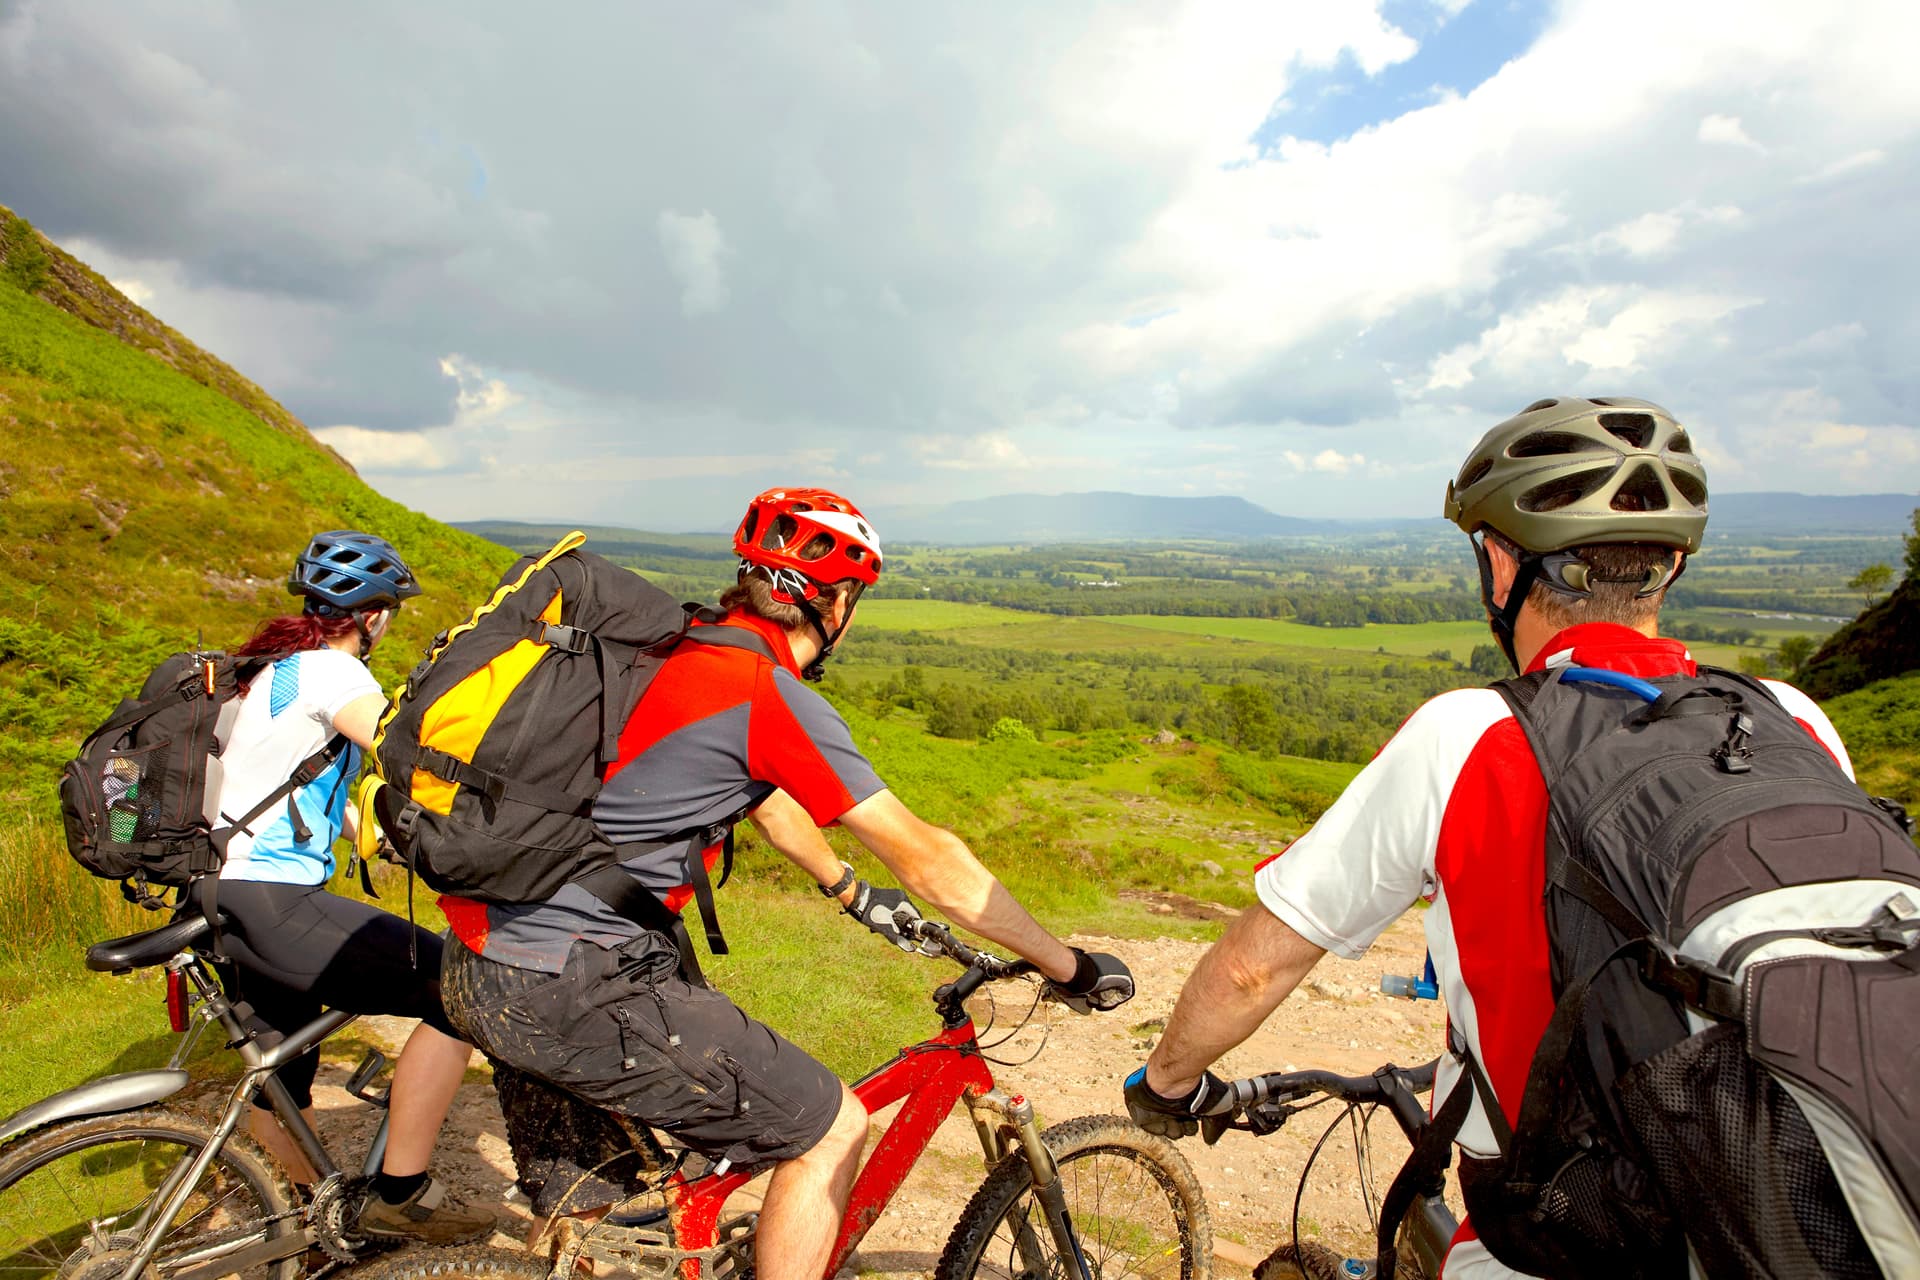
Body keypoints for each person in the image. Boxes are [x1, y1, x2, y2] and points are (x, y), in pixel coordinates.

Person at [1123, 398, 1860, 1278]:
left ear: (1500, 563)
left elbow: (1254, 968)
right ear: (1668, 568)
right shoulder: (1794, 720)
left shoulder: (1469, 734)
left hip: (1567, 1242)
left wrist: (1164, 1081)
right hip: (1817, 1222)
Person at [439, 487, 1135, 1280]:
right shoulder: (765, 694)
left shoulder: (681, 646)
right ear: (835, 600)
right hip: (574, 981)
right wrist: (1065, 963)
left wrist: (847, 889)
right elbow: (928, 858)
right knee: (830, 1126)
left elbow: (765, 802)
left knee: (600, 1213)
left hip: (482, 960)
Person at [200, 530, 494, 1244]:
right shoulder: (337, 674)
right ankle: (401, 1194)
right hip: (274, 899)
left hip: (219, 895)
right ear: (374, 616)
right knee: (458, 990)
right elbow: (407, 755)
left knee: (284, 1071)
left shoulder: (271, 670)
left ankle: (307, 1221)